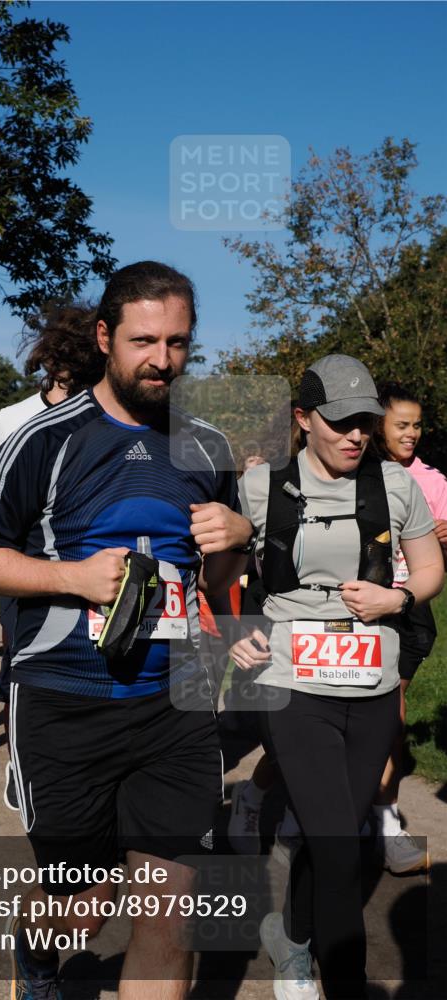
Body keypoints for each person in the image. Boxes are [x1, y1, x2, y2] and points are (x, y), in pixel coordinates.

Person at [0, 260, 253, 1000]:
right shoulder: (45, 439)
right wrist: (72, 577)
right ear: (105, 337)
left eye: (179, 343)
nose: (163, 359)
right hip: (65, 701)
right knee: (82, 912)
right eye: (144, 340)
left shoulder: (209, 447)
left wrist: (238, 538)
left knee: (166, 913)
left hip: (176, 705)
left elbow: (215, 582)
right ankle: (37, 953)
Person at [231, 355, 443, 1000]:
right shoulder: (262, 487)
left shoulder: (396, 485)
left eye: (365, 423)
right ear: (303, 419)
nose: (356, 435)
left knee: (336, 835)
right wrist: (235, 637)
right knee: (339, 846)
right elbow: (218, 574)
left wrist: (398, 601)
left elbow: (430, 569)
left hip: (373, 685)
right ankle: (341, 981)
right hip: (293, 684)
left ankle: (287, 936)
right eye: (341, 422)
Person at [0, 302, 107, 809]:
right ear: (48, 365)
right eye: (64, 375)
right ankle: (23, 764)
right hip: (30, 574)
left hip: (100, 570)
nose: (72, 388)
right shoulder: (13, 420)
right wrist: (0, 545)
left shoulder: (115, 417)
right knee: (27, 664)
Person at [371, 383, 447, 873]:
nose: (412, 433)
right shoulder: (359, 473)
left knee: (388, 721)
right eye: (402, 424)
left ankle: (382, 822)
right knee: (377, 721)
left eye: (417, 425)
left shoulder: (434, 482)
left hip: (410, 614)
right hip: (361, 609)